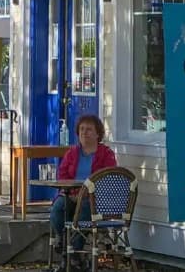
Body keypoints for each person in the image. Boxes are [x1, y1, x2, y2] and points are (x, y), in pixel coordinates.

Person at [49, 113, 117, 272]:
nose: (84, 132)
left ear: (98, 133)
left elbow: (109, 178)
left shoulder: (106, 154)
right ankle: (70, 252)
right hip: (71, 194)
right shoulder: (72, 153)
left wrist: (86, 194)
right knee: (59, 208)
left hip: (94, 199)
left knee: (85, 208)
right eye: (81, 129)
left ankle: (70, 255)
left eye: (89, 129)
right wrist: (72, 193)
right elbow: (63, 175)